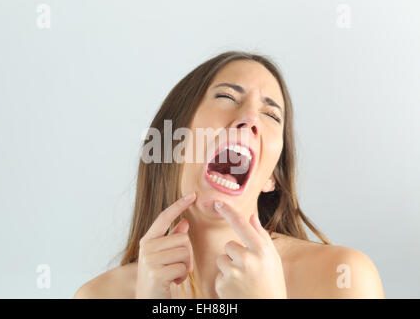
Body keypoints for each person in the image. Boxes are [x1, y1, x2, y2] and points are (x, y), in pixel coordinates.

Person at [74, 51, 384, 299]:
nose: (249, 118)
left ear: (270, 179)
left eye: (271, 114)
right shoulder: (98, 295)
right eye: (226, 97)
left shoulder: (343, 279)